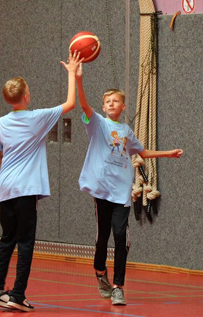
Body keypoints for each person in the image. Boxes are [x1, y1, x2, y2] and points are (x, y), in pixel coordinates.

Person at [76, 65, 182, 306]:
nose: (112, 104)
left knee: (121, 236)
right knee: (102, 237)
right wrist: (79, 80)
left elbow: (142, 151)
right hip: (102, 190)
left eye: (116, 101)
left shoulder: (126, 130)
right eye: (108, 101)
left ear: (124, 107)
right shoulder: (98, 124)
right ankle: (100, 271)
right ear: (103, 107)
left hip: (121, 191)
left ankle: (118, 287)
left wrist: (168, 154)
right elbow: (83, 105)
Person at [0, 51, 81, 312]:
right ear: (26, 96)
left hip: (6, 188)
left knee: (7, 238)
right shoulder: (38, 117)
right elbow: (71, 103)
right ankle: (17, 295)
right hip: (26, 189)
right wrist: (72, 73)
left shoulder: (2, 122)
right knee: (26, 242)